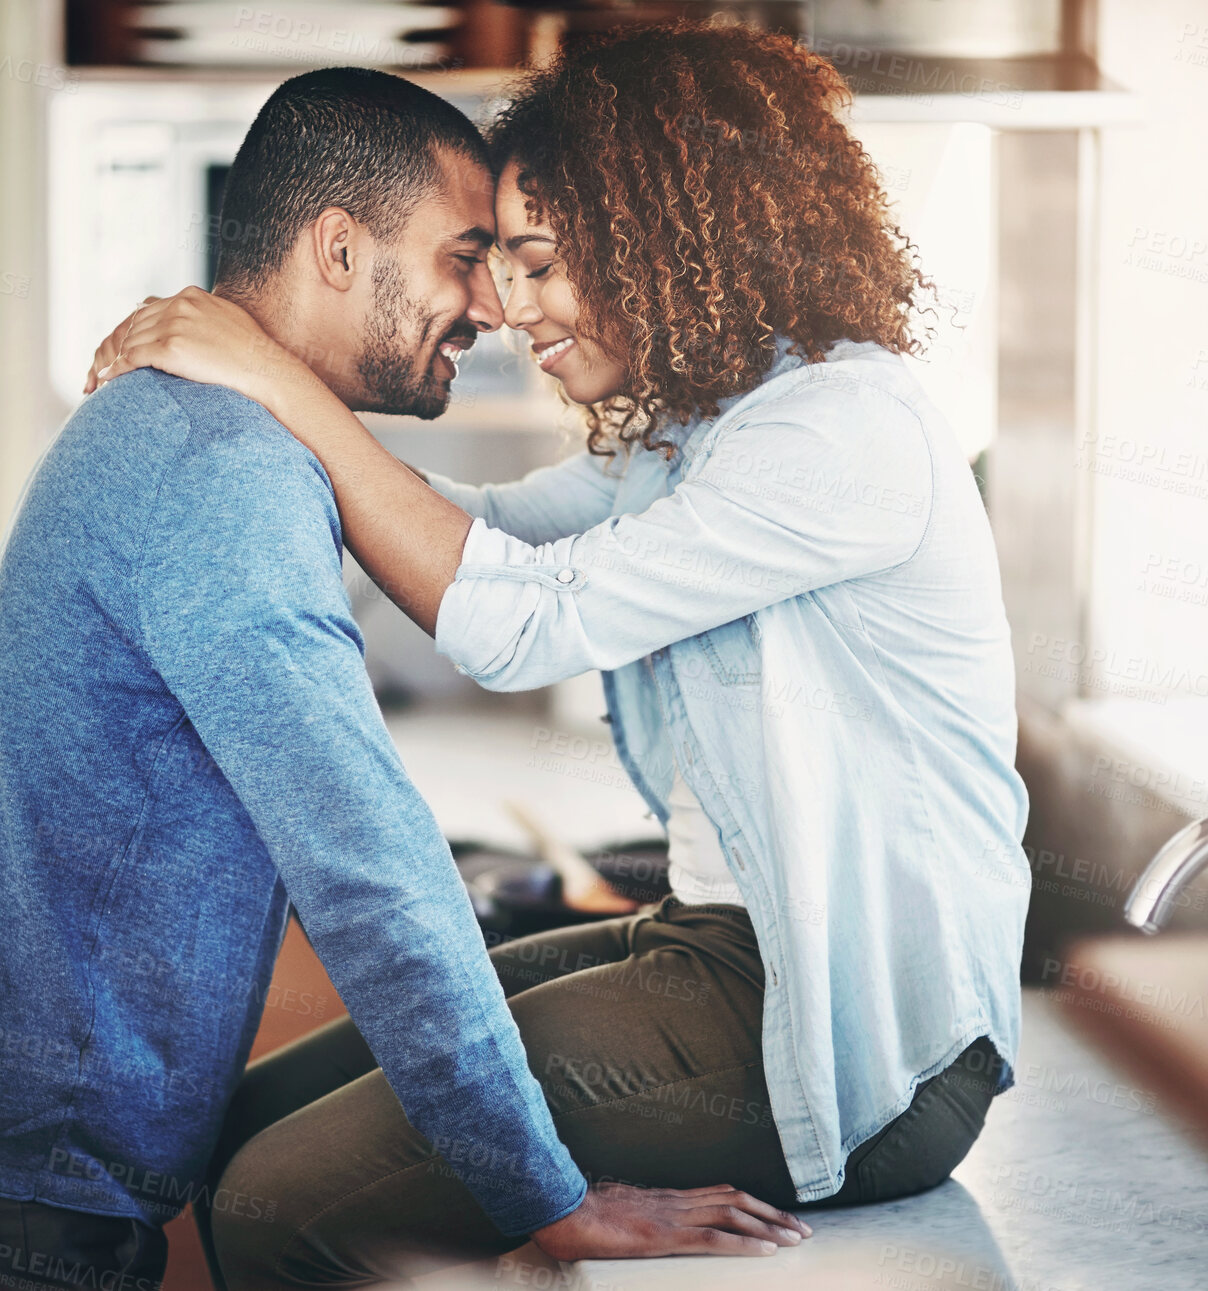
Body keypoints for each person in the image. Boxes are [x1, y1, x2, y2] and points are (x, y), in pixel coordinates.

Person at [88, 21, 1031, 1288]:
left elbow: (522, 622)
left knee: (274, 1207)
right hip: (715, 946)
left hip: (870, 1047)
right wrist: (276, 400)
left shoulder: (842, 429)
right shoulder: (693, 430)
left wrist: (271, 378)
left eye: (538, 262)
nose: (506, 306)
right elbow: (480, 538)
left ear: (667, 241)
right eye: (497, 265)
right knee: (242, 1127)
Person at [0, 66, 807, 1291]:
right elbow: (373, 873)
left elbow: (504, 556)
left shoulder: (197, 426)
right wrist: (545, 1197)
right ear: (339, 248)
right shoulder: (223, 472)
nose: (495, 309)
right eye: (465, 255)